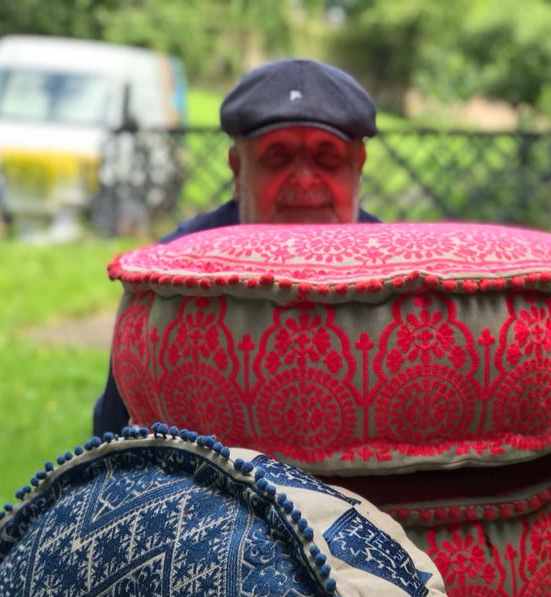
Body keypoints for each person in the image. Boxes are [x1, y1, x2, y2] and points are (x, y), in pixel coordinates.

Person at [94, 58, 379, 435]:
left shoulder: (409, 274)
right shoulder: (169, 282)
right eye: (277, 157)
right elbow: (115, 433)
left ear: (358, 163)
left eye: (327, 158)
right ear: (237, 169)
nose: (305, 178)